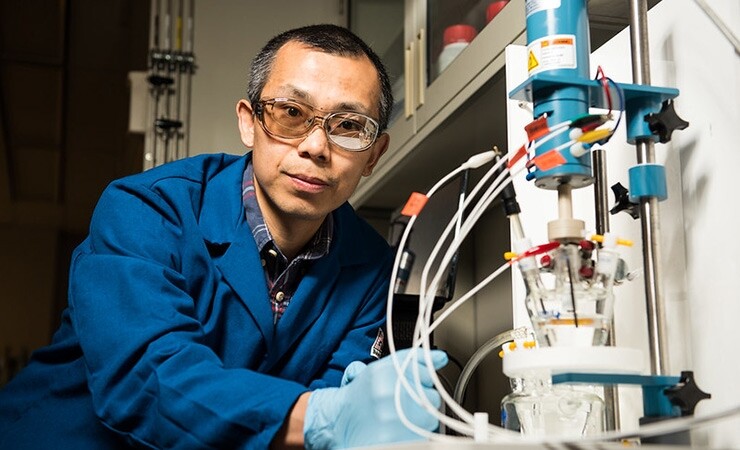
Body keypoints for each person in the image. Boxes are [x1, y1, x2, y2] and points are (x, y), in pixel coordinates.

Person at [0, 24, 447, 449]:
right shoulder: (145, 211)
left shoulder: (373, 270)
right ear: (249, 123)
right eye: (291, 113)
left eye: (349, 126)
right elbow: (147, 378)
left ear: (374, 155)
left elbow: (338, 402)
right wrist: (319, 417)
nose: (315, 146)